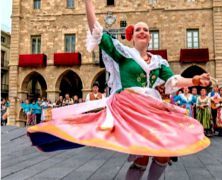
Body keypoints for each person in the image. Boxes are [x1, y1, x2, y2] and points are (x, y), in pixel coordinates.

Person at [27, 1, 212, 180]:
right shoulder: (123, 53)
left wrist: (193, 80)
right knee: (143, 156)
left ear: (149, 37)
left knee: (163, 154)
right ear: (131, 36)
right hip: (130, 108)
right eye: (138, 29)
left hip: (152, 108)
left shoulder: (158, 62)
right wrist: (88, 3)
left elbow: (173, 80)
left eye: (146, 30)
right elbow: (97, 32)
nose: (142, 32)